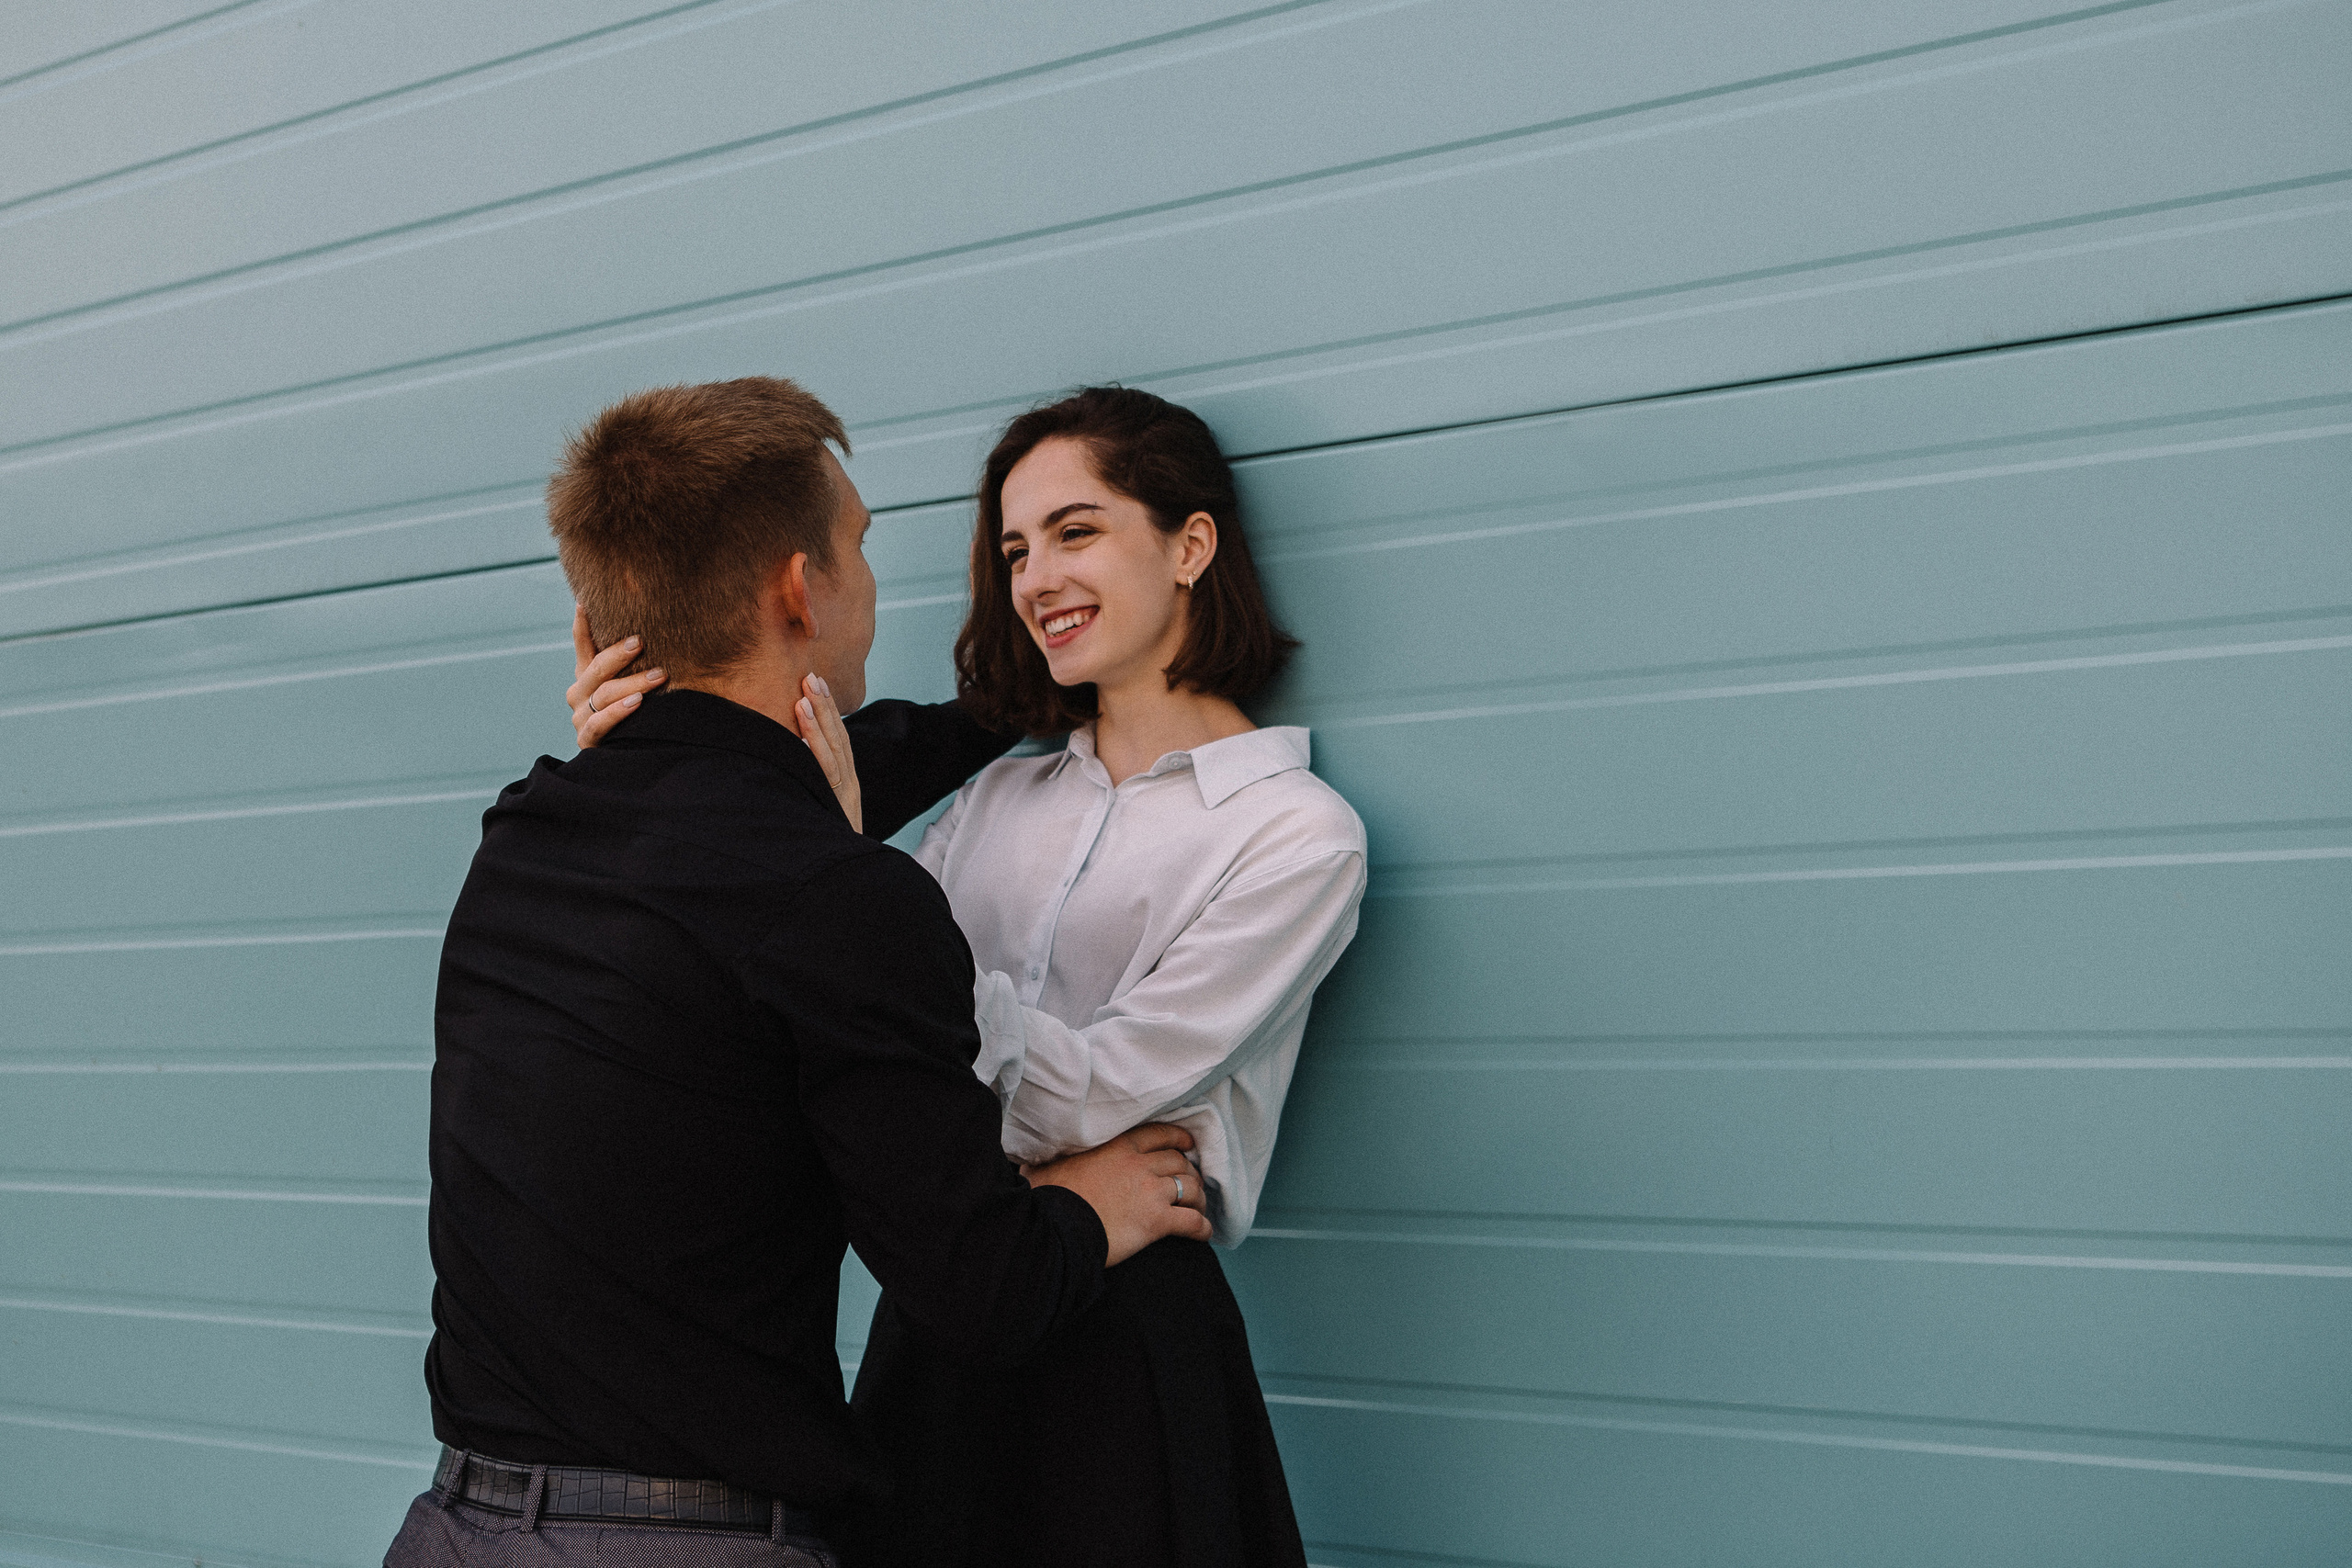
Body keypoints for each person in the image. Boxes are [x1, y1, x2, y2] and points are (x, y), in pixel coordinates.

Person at [386, 377, 1213, 1568]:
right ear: (797, 587)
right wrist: (1104, 1201)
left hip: (455, 1528)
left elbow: (749, 803)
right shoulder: (833, 897)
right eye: (861, 545)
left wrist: (1009, 701)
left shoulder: (527, 834)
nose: (873, 579)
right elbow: (983, 1288)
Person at [570, 387, 1368, 1567]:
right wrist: (652, 773)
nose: (1035, 576)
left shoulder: (1295, 837)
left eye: (1076, 531)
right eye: (1012, 548)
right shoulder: (997, 794)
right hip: (945, 1317)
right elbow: (836, 1030)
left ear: (1191, 544)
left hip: (1124, 1335)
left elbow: (1094, 1092)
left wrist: (896, 1005)